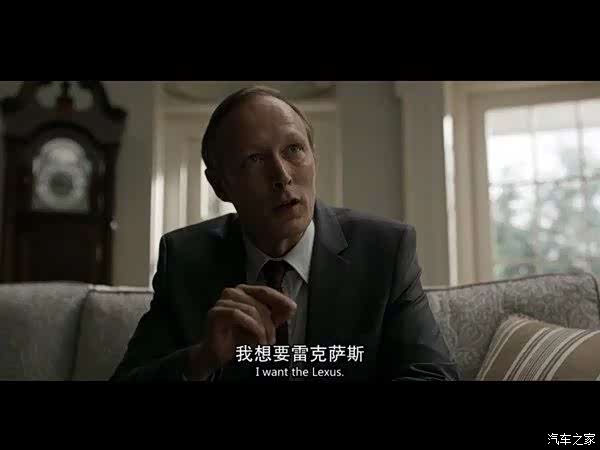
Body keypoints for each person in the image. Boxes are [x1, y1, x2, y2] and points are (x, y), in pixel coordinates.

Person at [111, 86, 460, 382]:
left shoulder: (384, 251)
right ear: (219, 185)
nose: (282, 175)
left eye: (294, 149)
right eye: (254, 159)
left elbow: (433, 376)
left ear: (314, 156)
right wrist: (201, 359)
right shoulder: (186, 259)